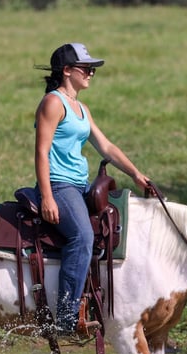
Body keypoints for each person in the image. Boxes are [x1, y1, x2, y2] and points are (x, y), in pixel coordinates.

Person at [34, 42, 150, 334]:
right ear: (67, 70)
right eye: (86, 68)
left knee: (120, 214)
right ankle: (66, 316)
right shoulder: (53, 103)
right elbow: (41, 152)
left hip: (80, 184)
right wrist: (47, 196)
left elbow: (106, 147)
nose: (91, 73)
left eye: (92, 69)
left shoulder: (81, 109)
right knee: (82, 236)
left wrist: (136, 174)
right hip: (60, 185)